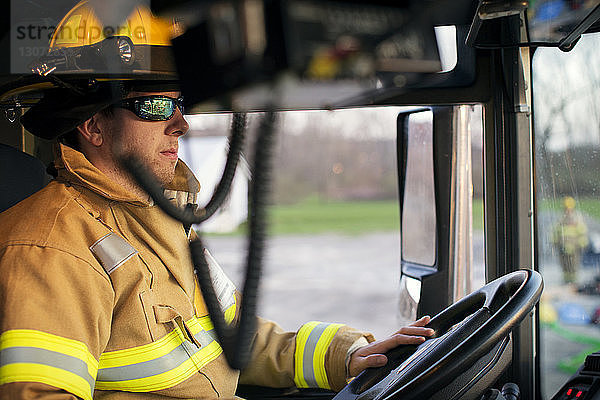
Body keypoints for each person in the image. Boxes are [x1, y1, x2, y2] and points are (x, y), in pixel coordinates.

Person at [0, 4, 434, 398]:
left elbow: (236, 339)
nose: (180, 125)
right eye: (154, 106)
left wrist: (345, 357)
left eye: (178, 103)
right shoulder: (51, 247)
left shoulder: (163, 220)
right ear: (93, 126)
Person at [552, 196, 589, 284]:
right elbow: (555, 232)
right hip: (563, 248)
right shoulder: (561, 219)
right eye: (566, 208)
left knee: (573, 267)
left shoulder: (577, 219)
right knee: (564, 267)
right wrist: (555, 243)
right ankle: (566, 282)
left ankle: (573, 282)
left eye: (569, 208)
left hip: (574, 248)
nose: (568, 211)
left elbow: (582, 233)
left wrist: (582, 245)